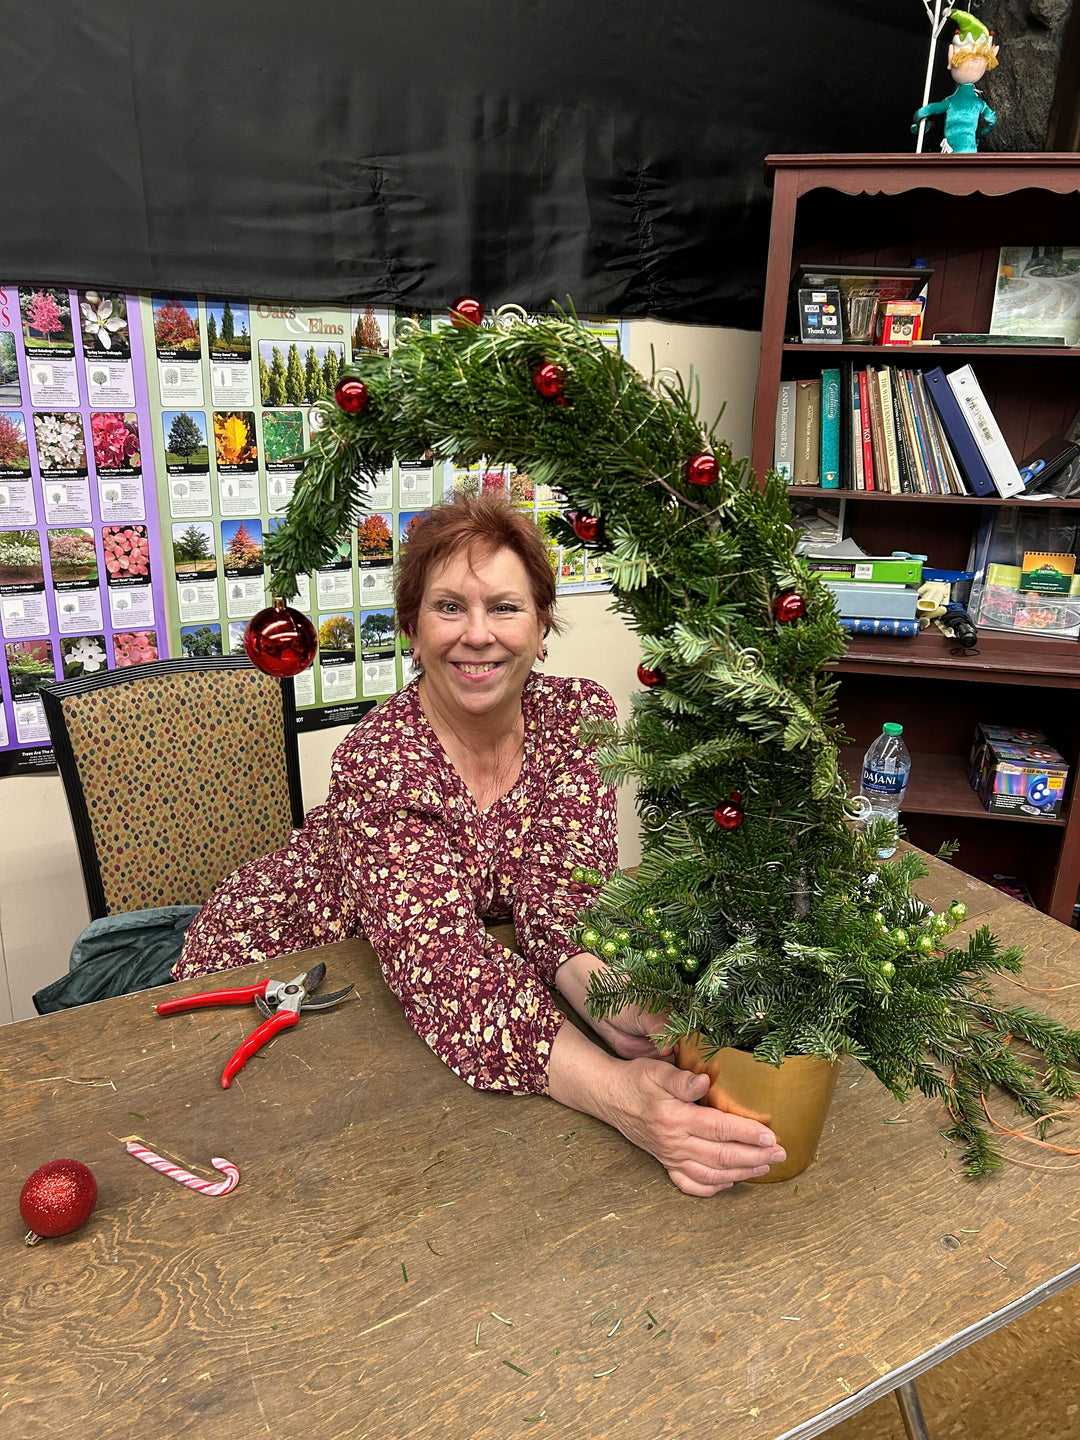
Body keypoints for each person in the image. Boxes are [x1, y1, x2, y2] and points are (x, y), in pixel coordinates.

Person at [174, 495, 787, 1194]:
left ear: (541, 622)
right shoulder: (380, 755)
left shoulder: (576, 717)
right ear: (411, 627)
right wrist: (621, 1097)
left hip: (391, 986)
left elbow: (559, 898)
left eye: (504, 606)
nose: (477, 635)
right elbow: (443, 962)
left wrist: (612, 1003)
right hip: (284, 958)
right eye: (448, 608)